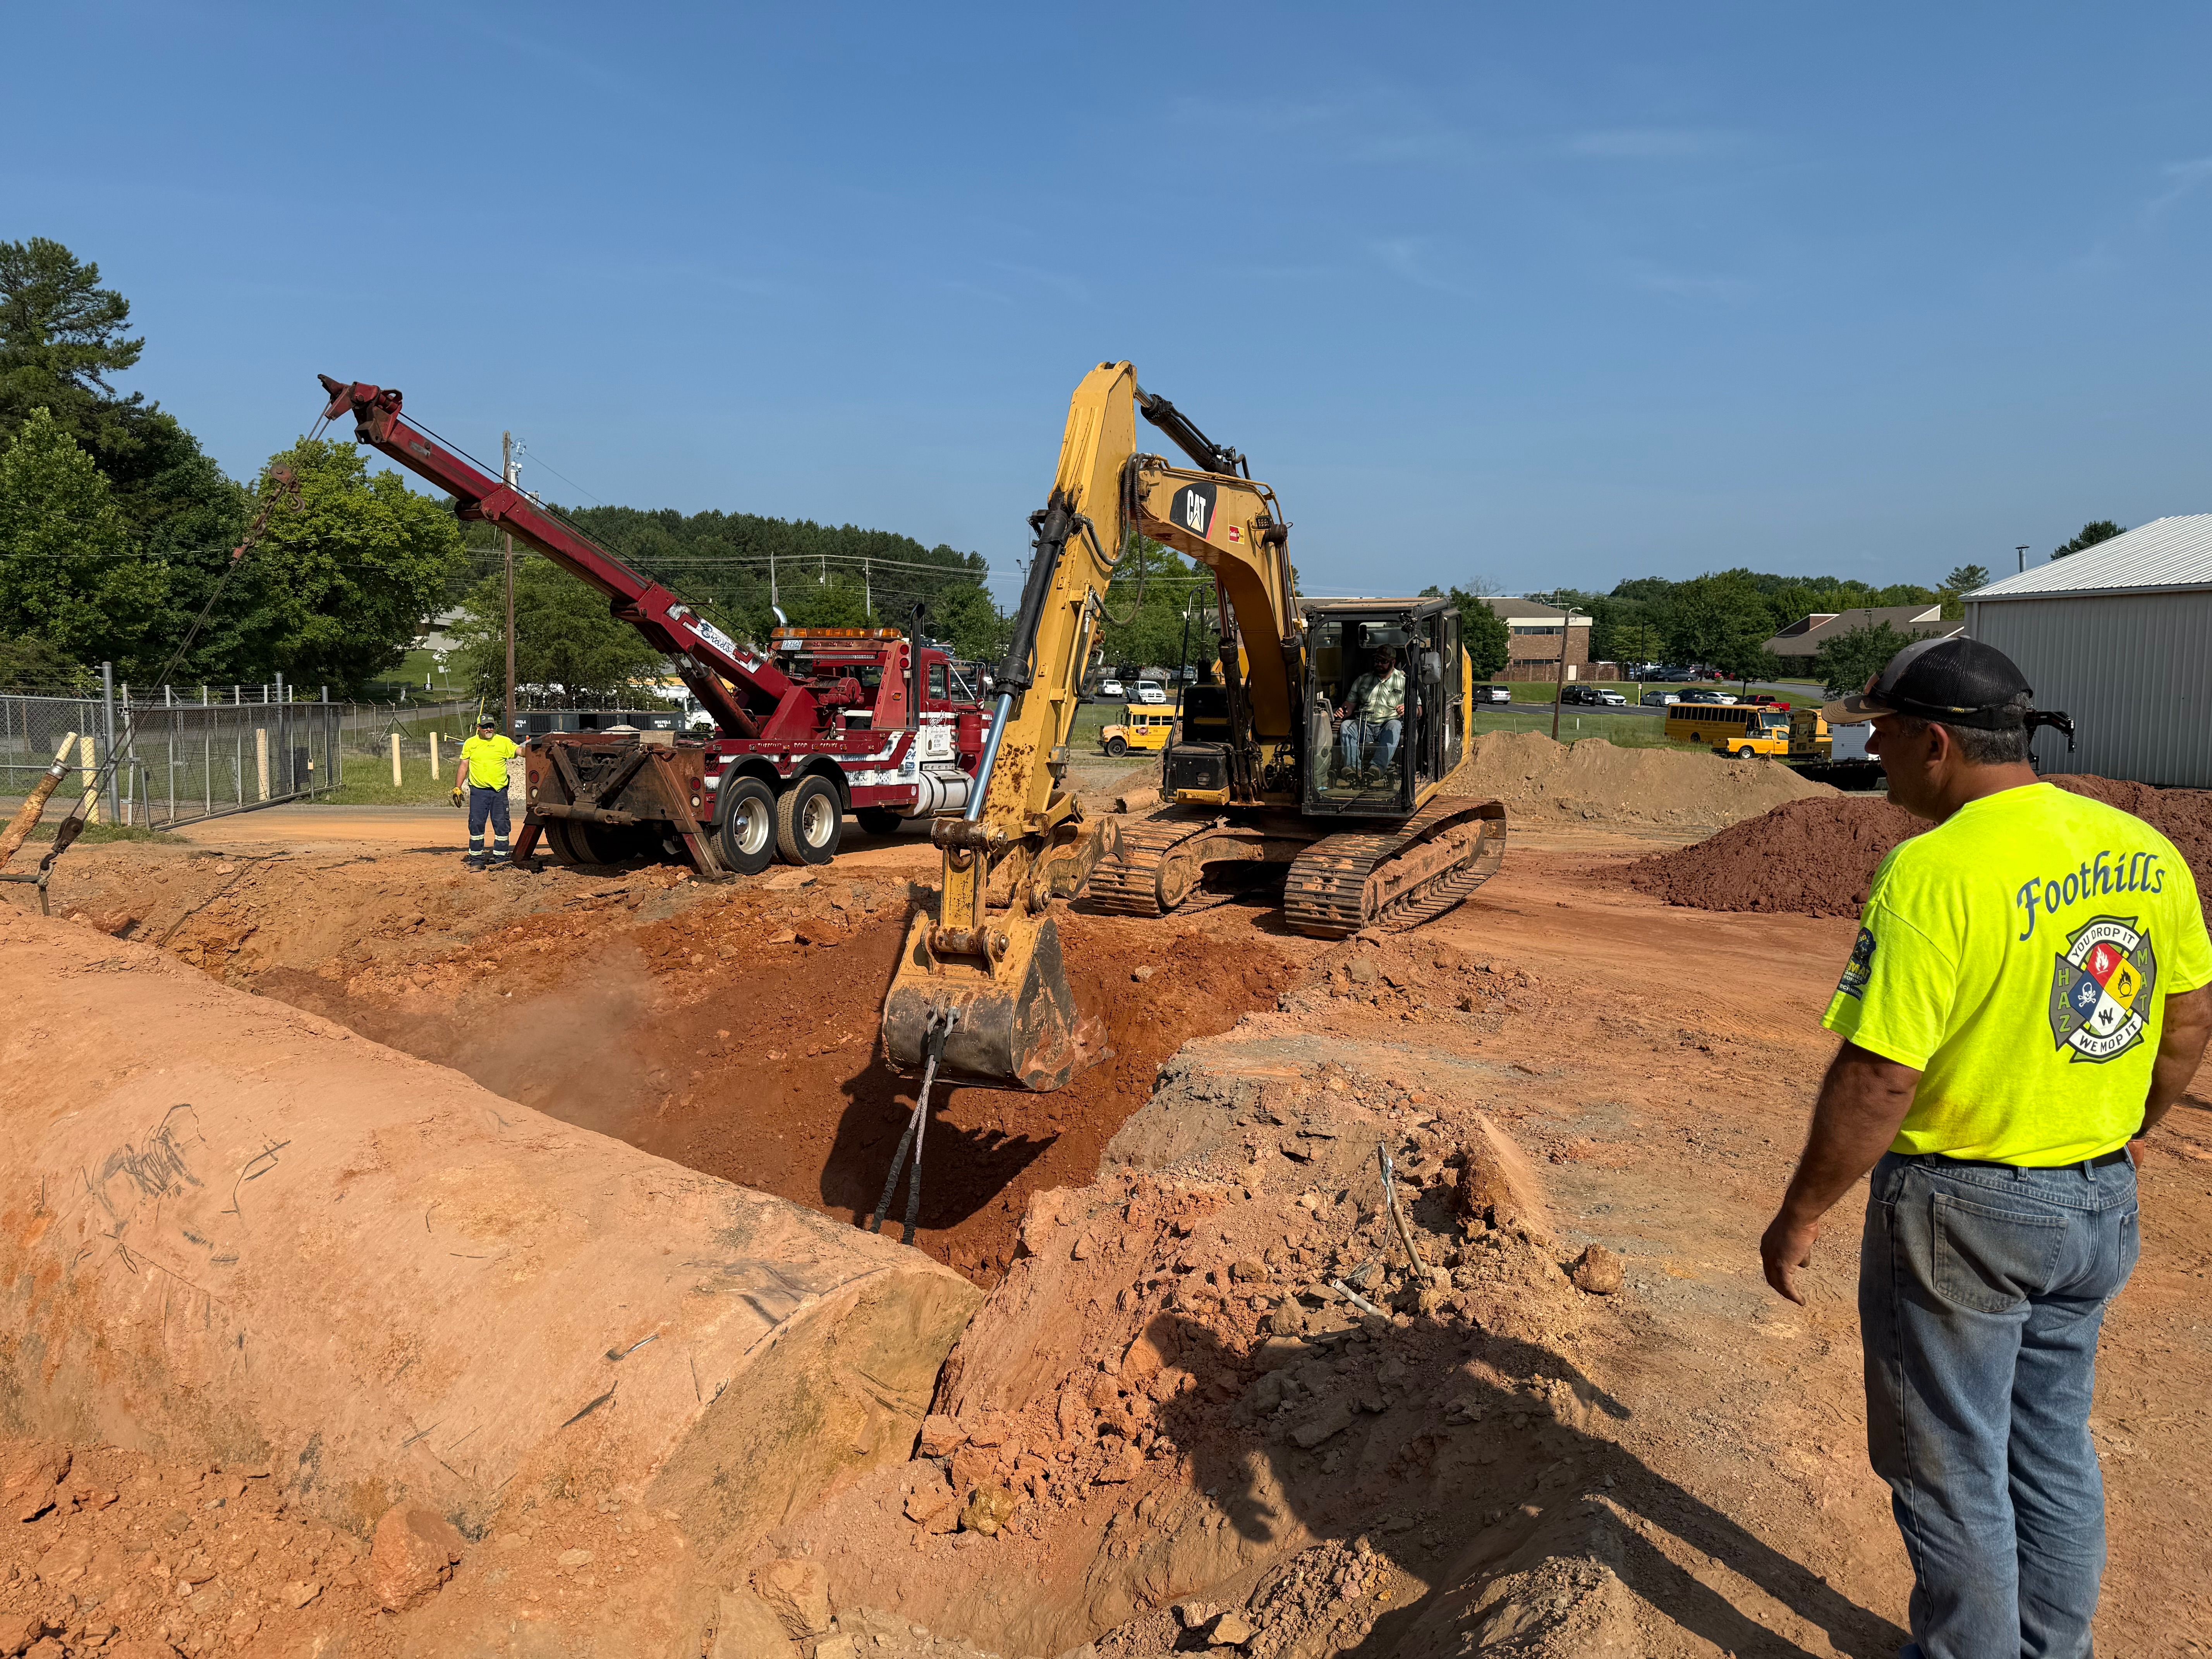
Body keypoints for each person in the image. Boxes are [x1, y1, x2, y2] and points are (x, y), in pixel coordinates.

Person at [1758, 637, 2212, 1659]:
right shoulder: (2141, 850)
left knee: (1951, 1462)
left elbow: (1881, 1076)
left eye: (1881, 730)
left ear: (1936, 739)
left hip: (1963, 1215)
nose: (1870, 749)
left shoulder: (1932, 870)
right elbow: (2186, 1018)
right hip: (2096, 1202)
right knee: (2048, 1448)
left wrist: (1802, 1213)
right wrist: (2136, 1130)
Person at [1337, 644, 1406, 785]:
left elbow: (1419, 710)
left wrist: (1407, 708)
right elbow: (1349, 705)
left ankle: (1377, 768)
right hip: (1365, 725)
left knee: (1395, 725)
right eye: (1377, 661)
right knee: (1346, 725)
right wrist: (1342, 711)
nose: (1379, 664)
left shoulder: (1404, 681)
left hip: (1387, 725)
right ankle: (1352, 768)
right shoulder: (1363, 680)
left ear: (1393, 662)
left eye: (1383, 661)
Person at [457, 716, 521, 867]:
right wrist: (458, 787)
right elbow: (463, 766)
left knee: (502, 825)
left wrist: (534, 750)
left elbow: (520, 751)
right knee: (476, 825)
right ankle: (477, 860)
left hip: (499, 792)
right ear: (478, 727)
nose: (489, 729)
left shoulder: (503, 742)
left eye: (491, 726)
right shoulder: (471, 744)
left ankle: (501, 859)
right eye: (485, 726)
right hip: (479, 793)